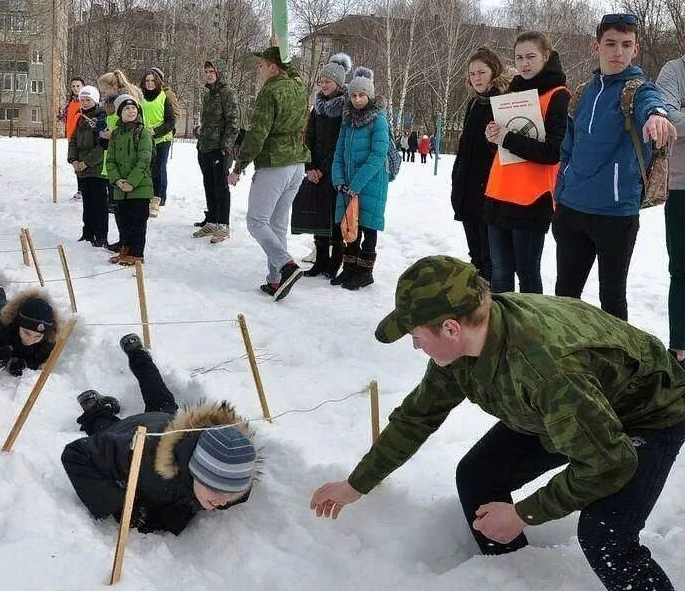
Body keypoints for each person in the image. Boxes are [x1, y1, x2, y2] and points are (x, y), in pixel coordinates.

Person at [311, 255, 685, 591]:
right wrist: (357, 483)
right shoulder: (464, 348)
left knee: (606, 537)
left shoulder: (544, 369)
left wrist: (524, 514)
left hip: (647, 414)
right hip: (566, 410)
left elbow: (609, 463)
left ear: (451, 328)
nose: (416, 347)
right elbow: (416, 417)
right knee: (478, 475)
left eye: (417, 337)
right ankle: (512, 579)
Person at [62, 333, 257, 536]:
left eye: (230, 493)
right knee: (144, 401)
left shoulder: (237, 480)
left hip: (168, 425)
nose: (222, 501)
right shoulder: (145, 457)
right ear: (196, 469)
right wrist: (117, 505)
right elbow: (77, 455)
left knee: (163, 402)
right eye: (215, 489)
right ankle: (99, 407)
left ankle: (126, 367)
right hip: (142, 434)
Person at [554, 14, 677, 320]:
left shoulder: (638, 91)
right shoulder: (583, 92)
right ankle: (568, 360)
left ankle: (618, 365)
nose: (617, 52)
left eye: (626, 45)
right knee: (565, 295)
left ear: (636, 49)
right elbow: (568, 148)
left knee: (612, 299)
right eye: (610, 43)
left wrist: (657, 115)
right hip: (571, 210)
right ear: (596, 46)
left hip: (615, 215)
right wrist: (560, 191)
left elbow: (653, 100)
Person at [482, 31, 569, 295]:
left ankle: (531, 333)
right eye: (519, 57)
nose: (524, 63)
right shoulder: (513, 89)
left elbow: (553, 151)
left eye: (531, 56)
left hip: (531, 198)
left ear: (546, 56)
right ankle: (502, 333)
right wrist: (493, 135)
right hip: (499, 192)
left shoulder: (557, 94)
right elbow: (503, 143)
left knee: (527, 274)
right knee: (499, 273)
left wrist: (507, 137)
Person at [228, 46, 311, 301]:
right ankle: (276, 280)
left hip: (275, 163)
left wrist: (239, 165)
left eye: (262, 64)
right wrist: (280, 44)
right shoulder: (299, 86)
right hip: (297, 163)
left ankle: (286, 265)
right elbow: (293, 70)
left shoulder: (270, 92)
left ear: (274, 68)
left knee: (256, 222)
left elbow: (258, 133)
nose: (259, 68)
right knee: (276, 224)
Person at [451, 47, 511, 283]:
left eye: (482, 72)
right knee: (475, 254)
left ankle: (492, 307)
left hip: (491, 193)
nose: (476, 78)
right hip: (468, 191)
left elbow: (507, 150)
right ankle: (477, 305)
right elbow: (465, 147)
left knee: (492, 258)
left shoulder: (504, 102)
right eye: (472, 73)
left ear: (494, 72)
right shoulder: (474, 103)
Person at [328, 67, 390, 291]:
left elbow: (377, 156)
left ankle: (365, 272)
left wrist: (356, 184)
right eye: (353, 95)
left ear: (370, 96)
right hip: (347, 184)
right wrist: (338, 179)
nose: (357, 99)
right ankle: (350, 267)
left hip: (370, 183)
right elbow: (339, 152)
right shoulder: (347, 120)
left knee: (368, 226)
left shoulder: (379, 121)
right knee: (350, 227)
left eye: (361, 95)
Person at [292, 53, 351, 279]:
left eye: (328, 81)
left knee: (334, 218)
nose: (324, 85)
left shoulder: (345, 109)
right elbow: (309, 138)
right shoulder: (317, 108)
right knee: (318, 216)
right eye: (322, 81)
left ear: (338, 83)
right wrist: (310, 166)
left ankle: (336, 260)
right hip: (315, 170)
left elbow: (340, 143)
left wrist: (324, 169)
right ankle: (321, 259)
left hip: (335, 171)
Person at [657, 33, 685, 368]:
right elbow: (668, 118)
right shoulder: (674, 71)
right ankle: (680, 349)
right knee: (681, 269)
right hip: (681, 188)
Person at [193, 58, 240, 244]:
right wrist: (200, 132)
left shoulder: (228, 93)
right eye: (206, 72)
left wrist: (225, 145)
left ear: (220, 72)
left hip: (220, 149)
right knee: (209, 184)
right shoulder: (208, 94)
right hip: (205, 146)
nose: (209, 75)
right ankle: (212, 220)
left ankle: (223, 224)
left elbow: (233, 123)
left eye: (212, 71)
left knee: (221, 187)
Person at [96, 70, 143, 253]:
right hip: (114, 157)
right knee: (117, 205)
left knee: (124, 207)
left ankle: (128, 243)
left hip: (125, 159)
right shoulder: (111, 103)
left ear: (113, 87)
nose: (102, 93)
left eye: (104, 90)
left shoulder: (124, 101)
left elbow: (129, 128)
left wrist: (110, 133)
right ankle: (124, 240)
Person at [106, 94, 154, 266]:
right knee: (123, 220)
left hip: (140, 186)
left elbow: (144, 160)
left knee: (138, 222)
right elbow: (110, 160)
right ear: (120, 112)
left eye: (133, 108)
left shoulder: (143, 133)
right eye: (127, 108)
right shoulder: (116, 134)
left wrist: (131, 182)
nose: (131, 111)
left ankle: (136, 253)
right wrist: (117, 180)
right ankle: (125, 249)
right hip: (120, 188)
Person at [0, 290, 59, 376]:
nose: (30, 340)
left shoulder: (48, 338)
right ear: (18, 324)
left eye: (38, 336)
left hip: (4, 305)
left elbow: (40, 358)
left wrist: (25, 364)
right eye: (27, 333)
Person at [68, 85, 109, 248]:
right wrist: (73, 160)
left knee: (99, 204)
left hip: (97, 169)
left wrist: (87, 162)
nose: (84, 103)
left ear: (95, 100)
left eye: (88, 100)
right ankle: (88, 232)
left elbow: (103, 145)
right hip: (82, 168)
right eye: (82, 100)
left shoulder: (101, 118)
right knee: (88, 203)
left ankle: (100, 235)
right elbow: (73, 141)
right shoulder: (80, 118)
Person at [140, 68, 177, 215]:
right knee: (147, 167)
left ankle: (158, 198)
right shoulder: (140, 97)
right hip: (144, 139)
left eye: (152, 81)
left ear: (158, 82)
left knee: (159, 168)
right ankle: (147, 195)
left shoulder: (164, 97)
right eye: (147, 81)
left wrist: (155, 131)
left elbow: (171, 121)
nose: (150, 83)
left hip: (162, 139)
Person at [60, 76, 85, 201]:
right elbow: (66, 118)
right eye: (73, 86)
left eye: (78, 86)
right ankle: (80, 189)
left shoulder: (85, 102)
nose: (75, 88)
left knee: (83, 164)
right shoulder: (70, 102)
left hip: (83, 137)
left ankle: (83, 189)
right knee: (75, 163)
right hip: (71, 138)